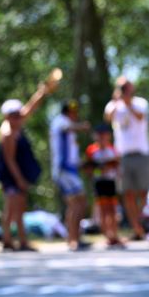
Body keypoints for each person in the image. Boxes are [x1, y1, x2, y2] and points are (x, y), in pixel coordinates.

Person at [0, 81, 53, 252]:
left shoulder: (17, 125)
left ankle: (21, 240)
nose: (18, 117)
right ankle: (7, 239)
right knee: (11, 207)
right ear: (7, 116)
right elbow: (9, 160)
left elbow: (30, 107)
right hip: (11, 176)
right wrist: (19, 179)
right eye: (14, 115)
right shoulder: (7, 133)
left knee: (20, 207)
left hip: (17, 175)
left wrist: (42, 92)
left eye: (18, 114)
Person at [104, 76, 149, 241]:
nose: (125, 90)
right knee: (128, 194)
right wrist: (118, 100)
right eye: (122, 87)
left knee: (144, 192)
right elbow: (108, 117)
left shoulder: (140, 103)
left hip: (141, 154)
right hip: (123, 156)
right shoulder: (114, 105)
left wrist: (128, 103)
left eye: (127, 87)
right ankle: (137, 229)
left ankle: (147, 226)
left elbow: (140, 117)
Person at [50, 100, 92, 251]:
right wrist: (83, 126)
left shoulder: (69, 129)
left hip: (71, 169)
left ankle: (74, 237)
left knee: (77, 203)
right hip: (64, 170)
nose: (75, 114)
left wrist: (82, 164)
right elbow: (66, 128)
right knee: (77, 202)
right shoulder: (60, 121)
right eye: (73, 111)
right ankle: (73, 239)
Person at [84, 124, 124, 249]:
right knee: (102, 210)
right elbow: (88, 168)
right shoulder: (91, 150)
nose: (102, 138)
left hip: (110, 182)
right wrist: (97, 170)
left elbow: (117, 166)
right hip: (99, 182)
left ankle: (115, 235)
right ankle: (107, 235)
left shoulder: (112, 149)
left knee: (112, 209)